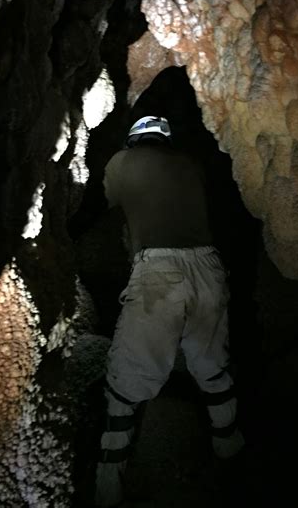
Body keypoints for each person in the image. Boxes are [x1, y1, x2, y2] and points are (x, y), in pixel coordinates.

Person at [95, 116, 244, 508]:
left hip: (160, 270)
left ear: (133, 140)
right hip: (209, 267)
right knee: (211, 364)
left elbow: (106, 202)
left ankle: (107, 486)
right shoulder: (190, 163)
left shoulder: (121, 162)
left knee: (127, 379)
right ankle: (231, 450)